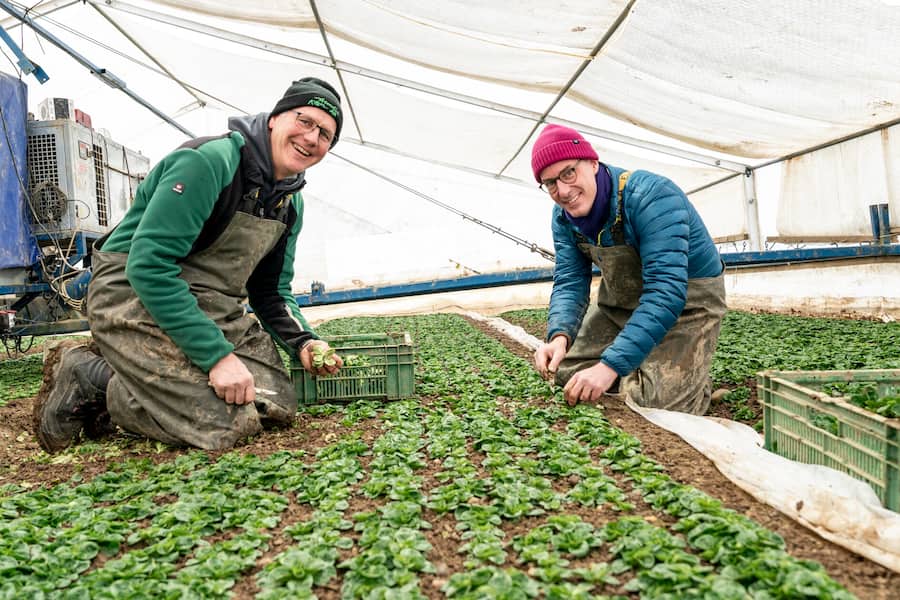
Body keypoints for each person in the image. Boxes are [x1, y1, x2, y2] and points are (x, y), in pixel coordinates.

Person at [33, 77, 345, 452]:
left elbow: (270, 292)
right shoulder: (208, 163)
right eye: (305, 121)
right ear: (275, 118)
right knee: (225, 420)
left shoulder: (290, 204)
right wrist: (217, 357)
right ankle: (93, 378)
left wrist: (304, 342)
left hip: (209, 305)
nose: (311, 138)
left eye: (325, 135)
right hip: (132, 294)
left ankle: (144, 368)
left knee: (275, 402)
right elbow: (149, 267)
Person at [531, 124, 726, 414]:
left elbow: (666, 291)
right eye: (550, 183)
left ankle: (689, 384)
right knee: (566, 373)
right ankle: (649, 363)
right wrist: (559, 337)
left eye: (568, 173)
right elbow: (570, 281)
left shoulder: (652, 196)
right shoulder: (563, 217)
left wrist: (610, 366)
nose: (563, 190)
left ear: (592, 163)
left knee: (654, 404)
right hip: (622, 305)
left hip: (688, 305)